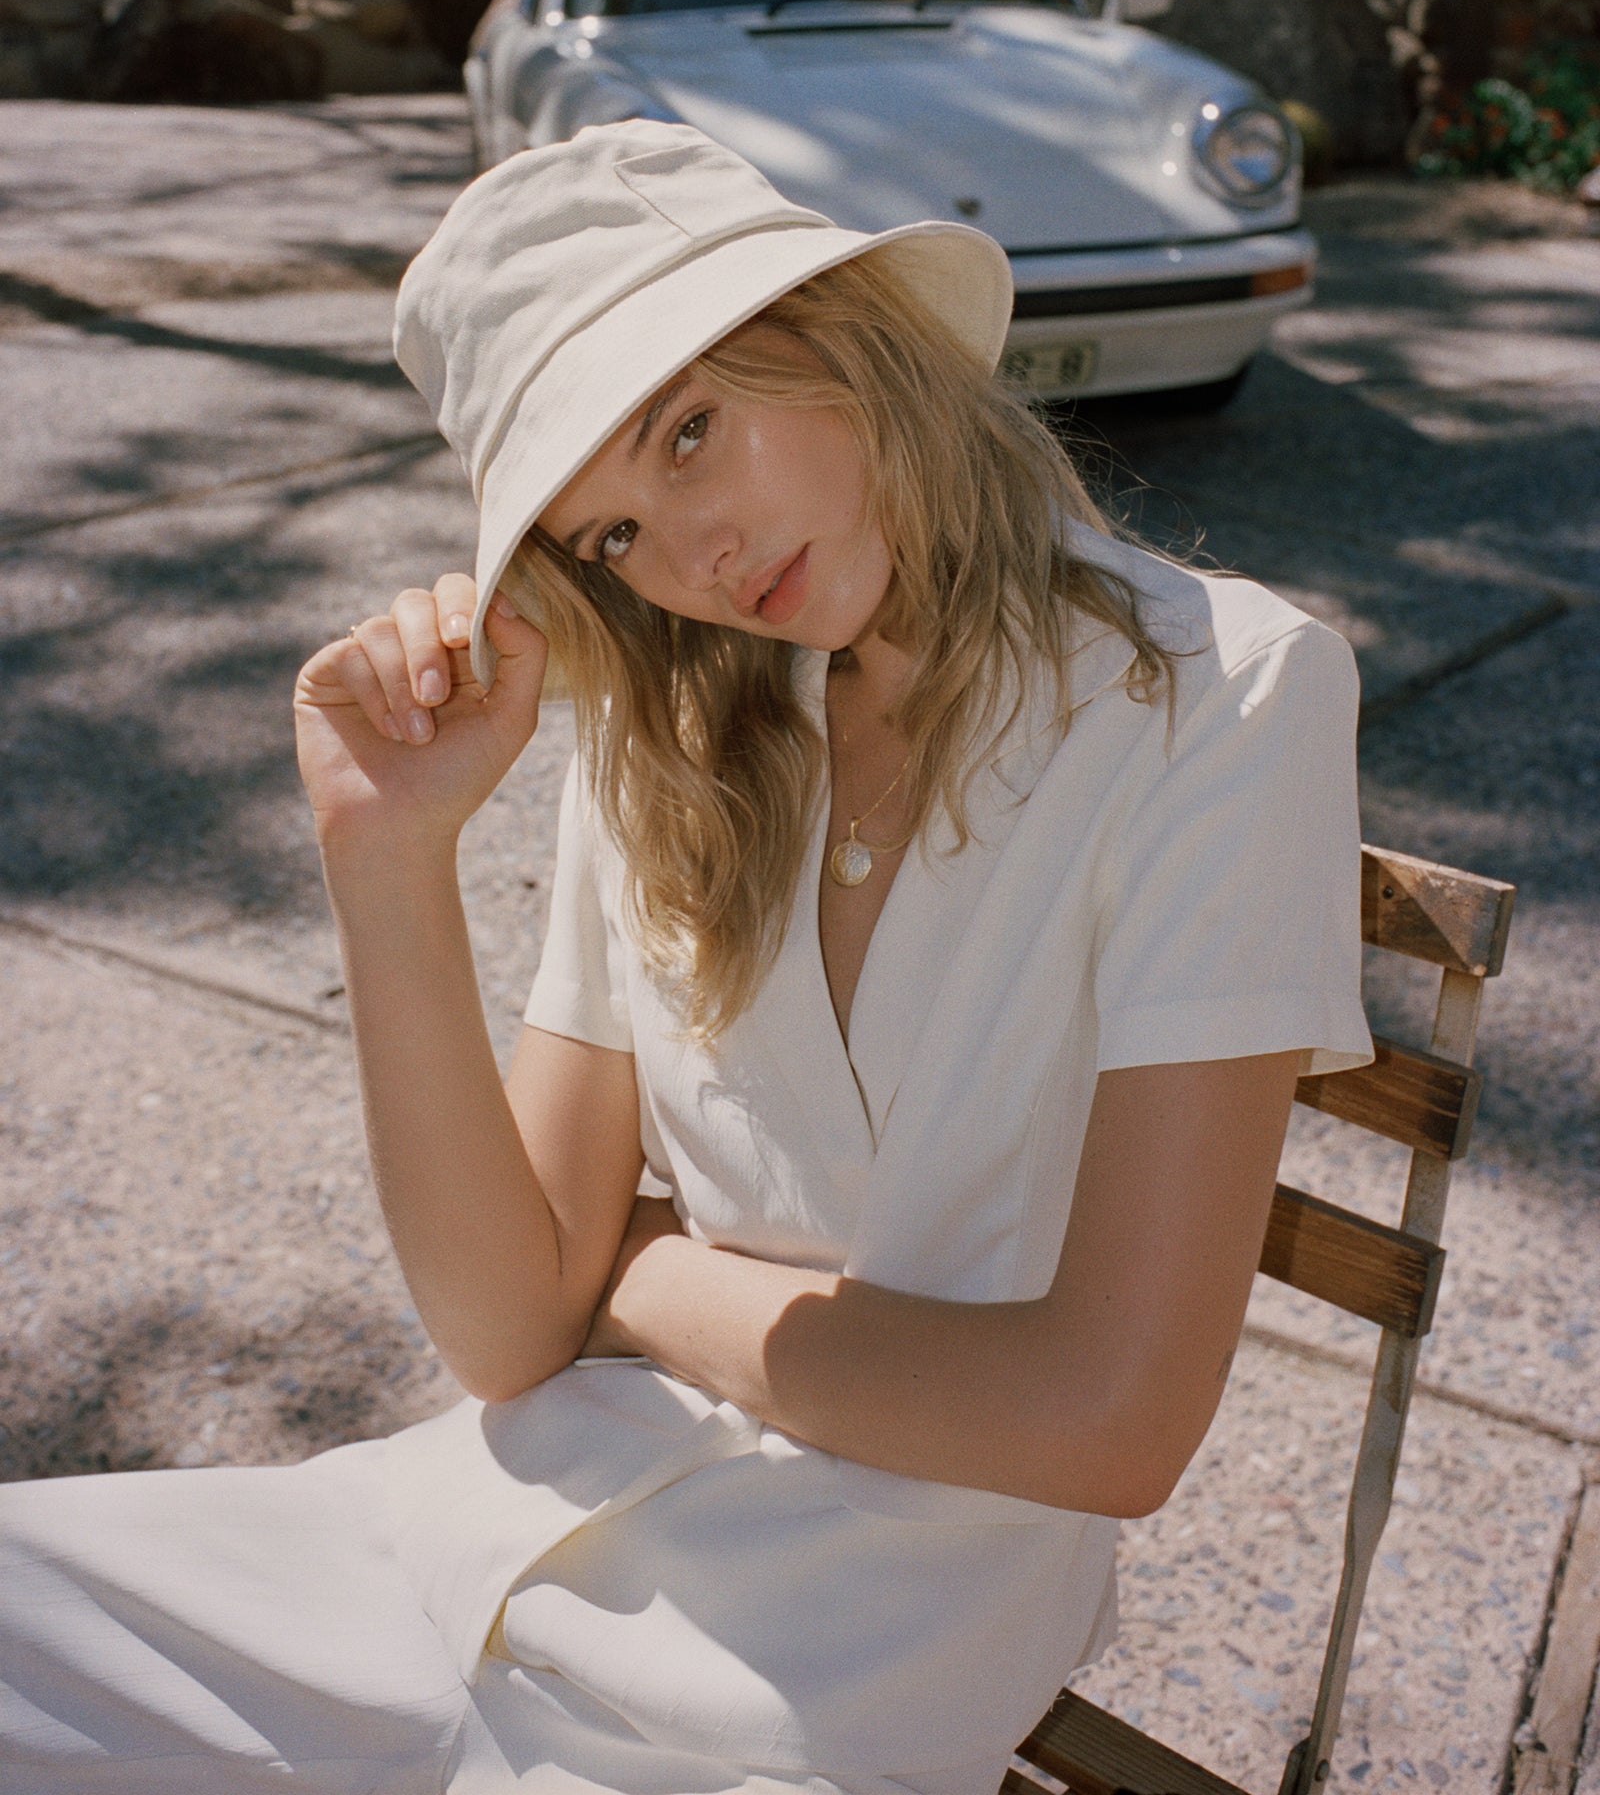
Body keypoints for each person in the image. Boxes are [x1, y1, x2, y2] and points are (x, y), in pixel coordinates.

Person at [0, 121, 1372, 1795]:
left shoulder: (1219, 700)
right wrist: (387, 859)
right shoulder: (676, 734)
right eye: (613, 539)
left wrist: (648, 1280)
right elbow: (512, 1328)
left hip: (832, 1652)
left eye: (691, 435)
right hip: (479, 1534)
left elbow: (1109, 1419)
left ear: (841, 332)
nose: (695, 560)